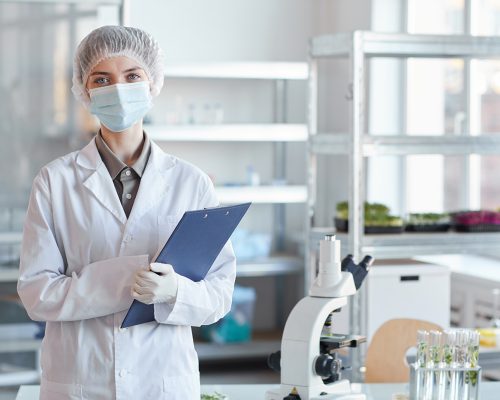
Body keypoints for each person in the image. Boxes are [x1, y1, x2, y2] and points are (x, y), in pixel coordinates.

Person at [17, 25, 236, 400]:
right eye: (102, 79)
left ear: (152, 84)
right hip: (80, 381)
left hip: (162, 380)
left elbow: (219, 295)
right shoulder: (54, 182)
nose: (118, 89)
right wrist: (124, 280)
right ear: (85, 91)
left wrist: (175, 292)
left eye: (132, 76)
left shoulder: (191, 183)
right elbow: (37, 293)